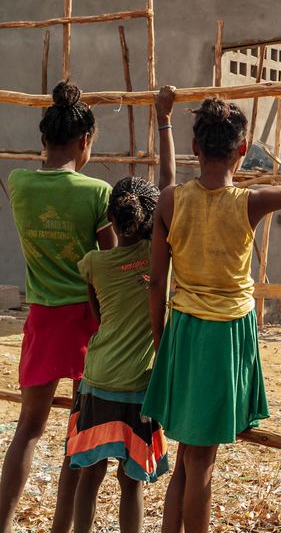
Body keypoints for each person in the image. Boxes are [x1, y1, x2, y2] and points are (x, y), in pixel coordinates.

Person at [142, 75, 281, 533]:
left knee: (190, 455)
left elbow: (155, 282)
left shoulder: (171, 202)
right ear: (243, 147)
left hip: (183, 332)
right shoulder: (251, 202)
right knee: (201, 460)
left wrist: (160, 339)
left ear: (196, 143)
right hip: (223, 336)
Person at [0, 80, 117, 533]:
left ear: (43, 139)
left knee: (28, 428)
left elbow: (43, 169)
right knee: (79, 433)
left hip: (42, 319)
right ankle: (62, 527)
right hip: (88, 321)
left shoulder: (19, 183)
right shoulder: (96, 192)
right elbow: (108, 264)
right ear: (85, 140)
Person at [66, 86, 177, 533]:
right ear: (156, 223)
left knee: (87, 479)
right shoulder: (158, 255)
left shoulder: (93, 263)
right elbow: (169, 182)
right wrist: (164, 119)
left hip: (97, 379)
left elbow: (96, 313)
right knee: (131, 486)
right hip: (138, 386)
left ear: (111, 220)